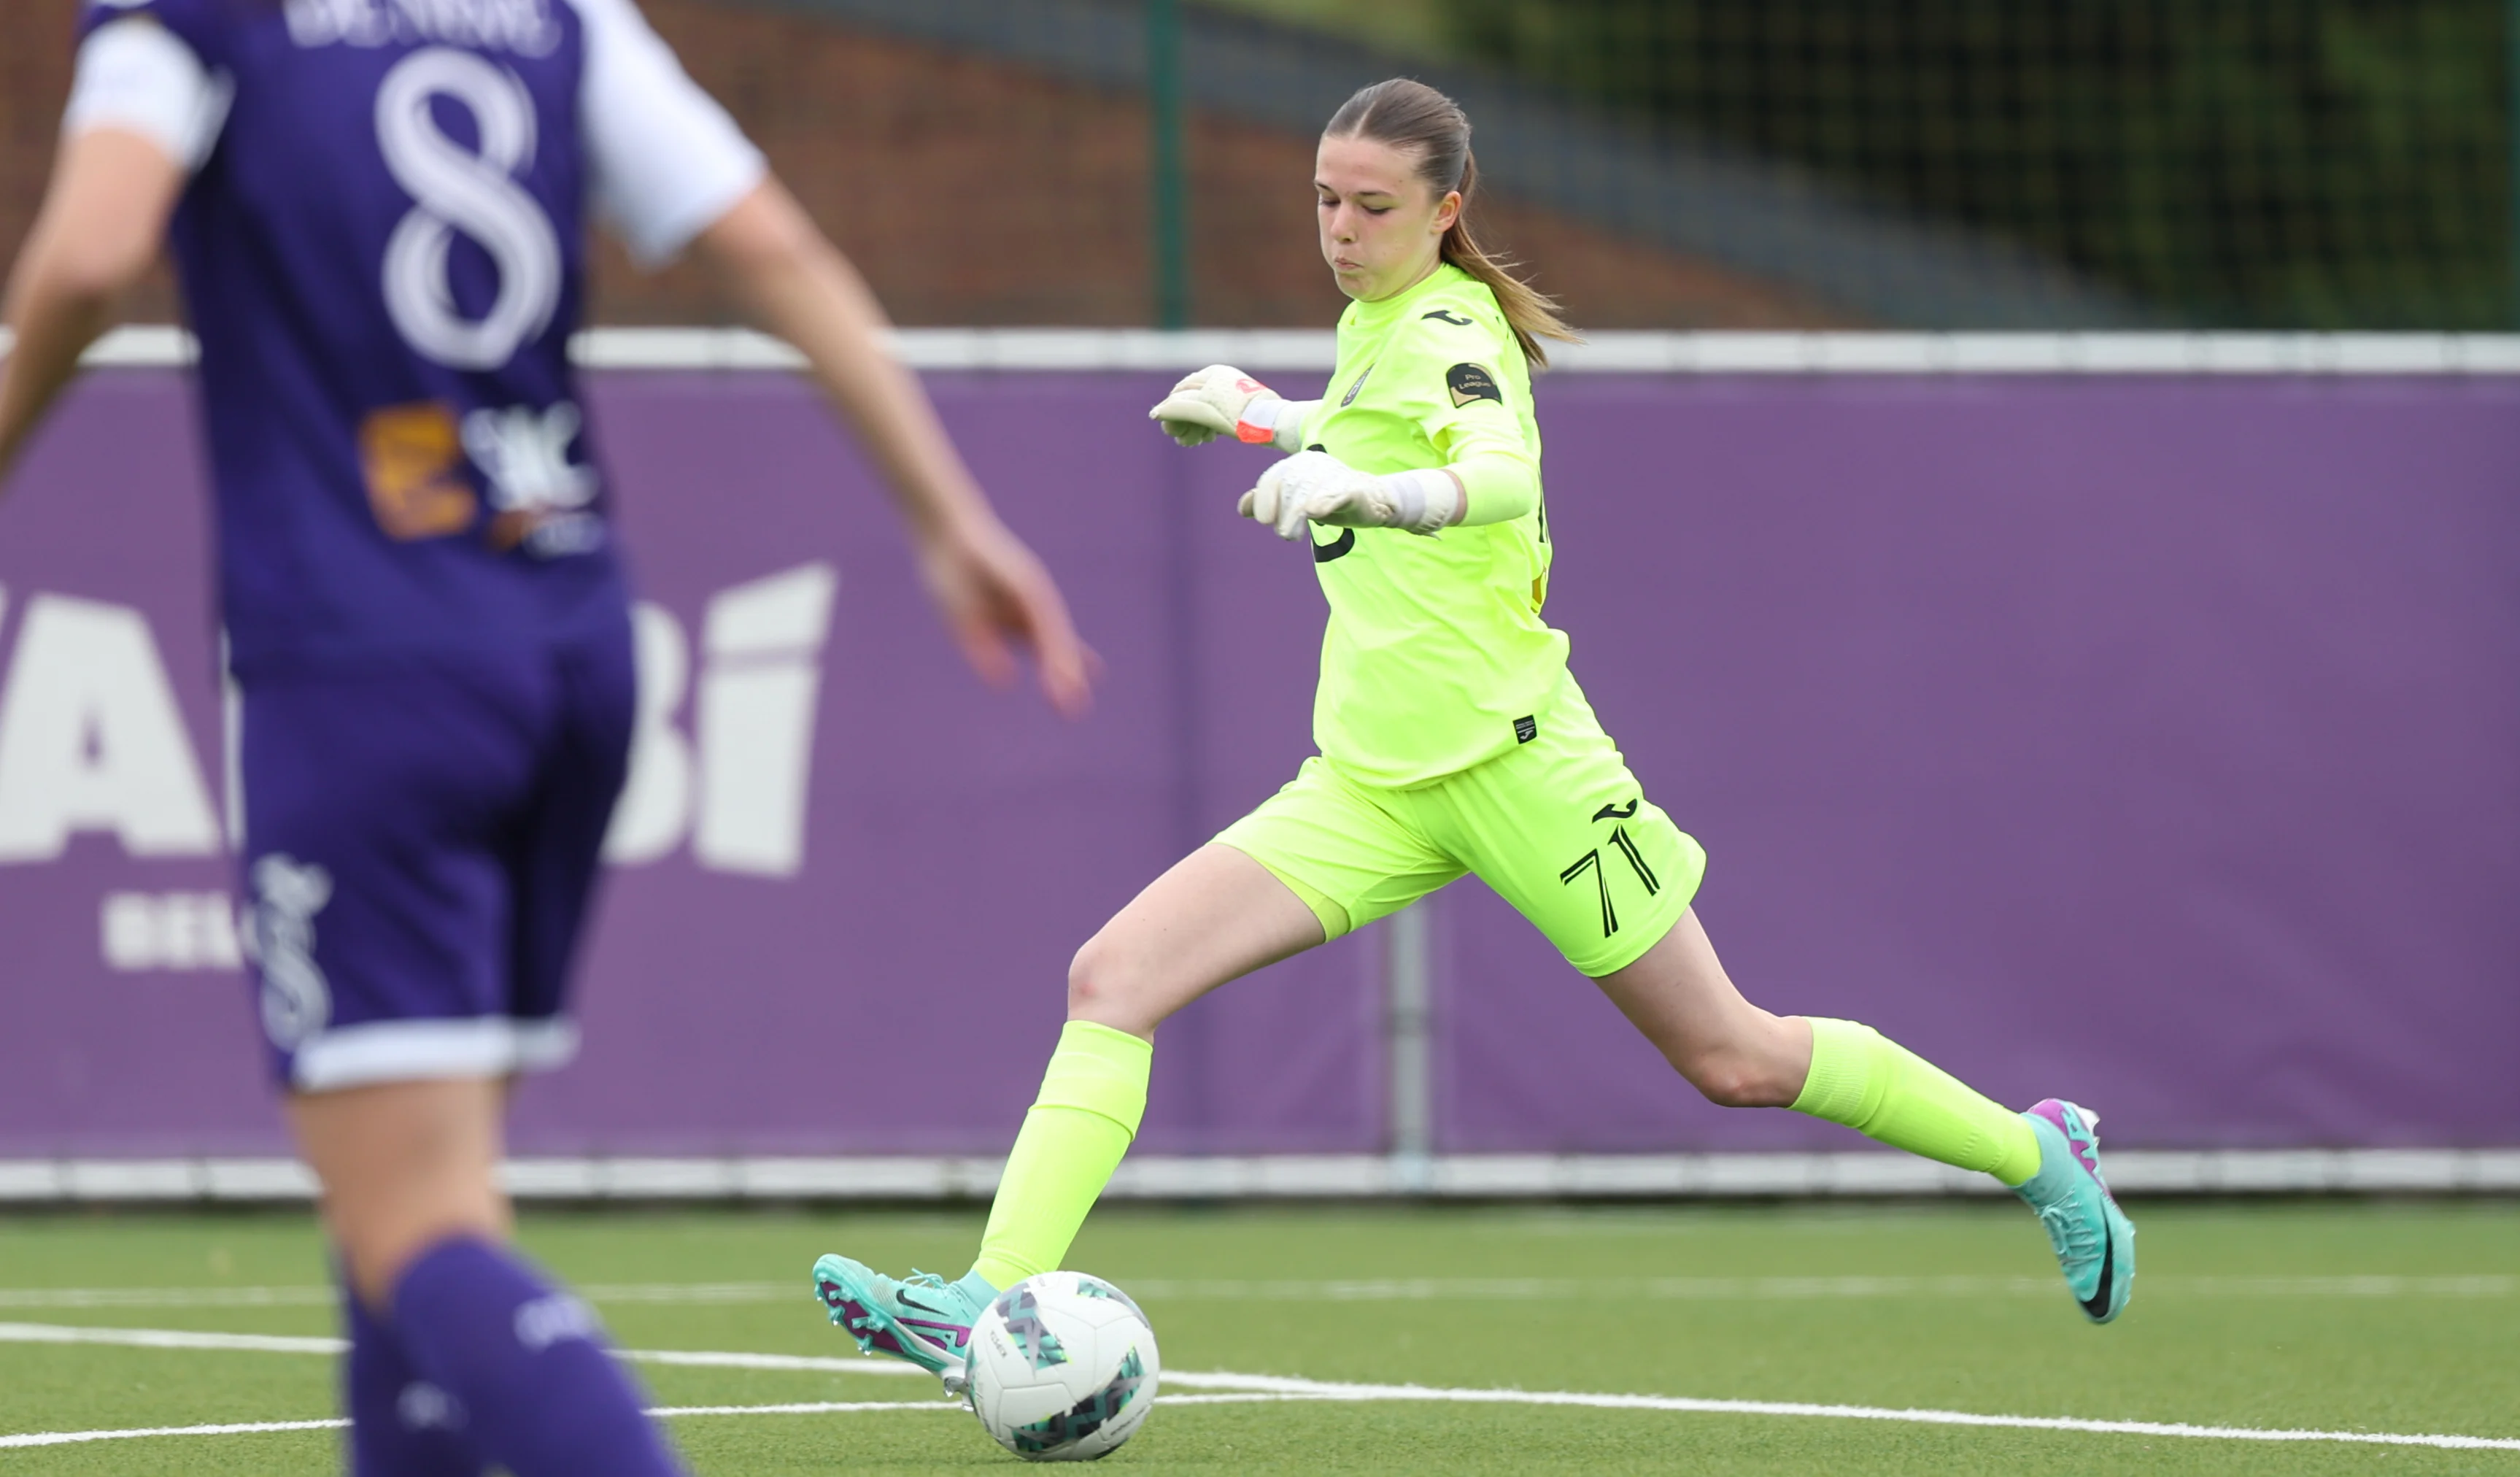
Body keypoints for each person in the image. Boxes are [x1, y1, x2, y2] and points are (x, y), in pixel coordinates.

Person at [810, 77, 2135, 1386]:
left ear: (1445, 212)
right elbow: (1364, 423)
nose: (1339, 228)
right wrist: (1265, 415)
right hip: (1369, 785)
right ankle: (983, 1302)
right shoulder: (1376, 325)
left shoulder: (1454, 330)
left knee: (1733, 1056)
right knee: (1111, 979)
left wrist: (1375, 494)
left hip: (1517, 770)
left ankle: (2036, 1156)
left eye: (1372, 207)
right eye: (1324, 199)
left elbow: (1499, 475)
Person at [0, 1, 1091, 1470]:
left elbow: (87, 250)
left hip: (361, 657)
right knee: (415, 1199)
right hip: (570, 640)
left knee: (416, 1226)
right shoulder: (555, 15)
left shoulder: (198, 14)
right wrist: (945, 515)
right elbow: (763, 242)